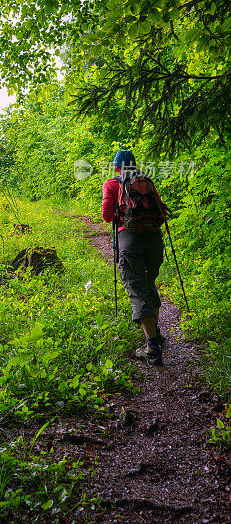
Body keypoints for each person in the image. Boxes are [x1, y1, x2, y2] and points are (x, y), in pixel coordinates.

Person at [102, 149, 167, 366]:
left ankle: (152, 347)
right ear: (134, 164)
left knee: (137, 289)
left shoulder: (112, 184)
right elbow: (160, 210)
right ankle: (155, 334)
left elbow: (106, 216)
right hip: (154, 240)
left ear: (116, 167)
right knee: (149, 284)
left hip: (129, 241)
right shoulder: (145, 180)